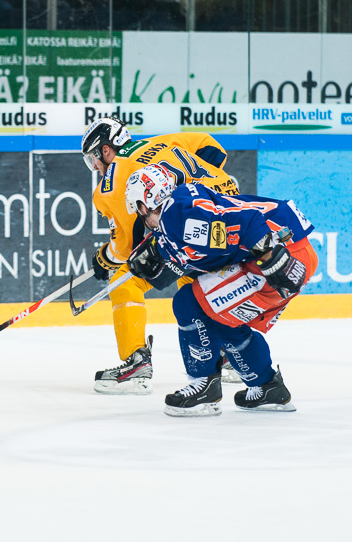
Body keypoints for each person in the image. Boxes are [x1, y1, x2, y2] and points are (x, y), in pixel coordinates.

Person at [124, 164, 317, 416]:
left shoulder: (176, 219)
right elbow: (217, 245)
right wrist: (160, 251)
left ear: (143, 204)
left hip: (280, 255)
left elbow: (247, 223)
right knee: (220, 316)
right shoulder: (182, 202)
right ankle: (268, 387)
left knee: (188, 303)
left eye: (138, 211)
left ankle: (204, 386)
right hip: (292, 250)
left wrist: (271, 258)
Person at [80, 118, 239, 394]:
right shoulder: (162, 141)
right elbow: (212, 147)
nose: (94, 166)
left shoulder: (111, 181)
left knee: (125, 279)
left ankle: (136, 363)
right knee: (193, 277)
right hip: (229, 211)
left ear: (106, 150)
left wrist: (104, 259)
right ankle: (228, 356)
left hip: (191, 227)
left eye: (93, 157)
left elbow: (124, 248)